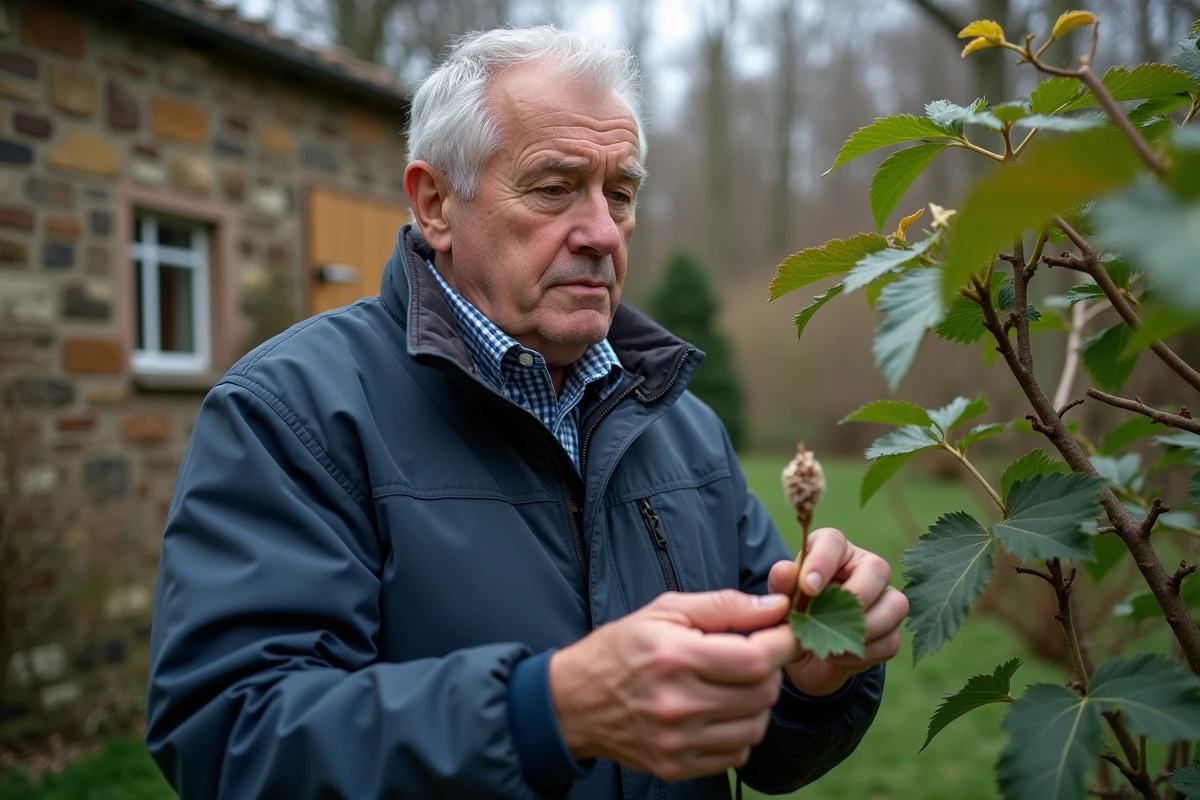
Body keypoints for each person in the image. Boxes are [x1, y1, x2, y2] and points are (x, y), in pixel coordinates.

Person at [145, 26, 908, 800]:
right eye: (553, 188)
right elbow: (230, 737)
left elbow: (768, 749)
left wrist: (813, 683)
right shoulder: (293, 413)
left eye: (620, 193)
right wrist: (544, 714)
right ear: (435, 204)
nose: (603, 233)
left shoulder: (683, 427)